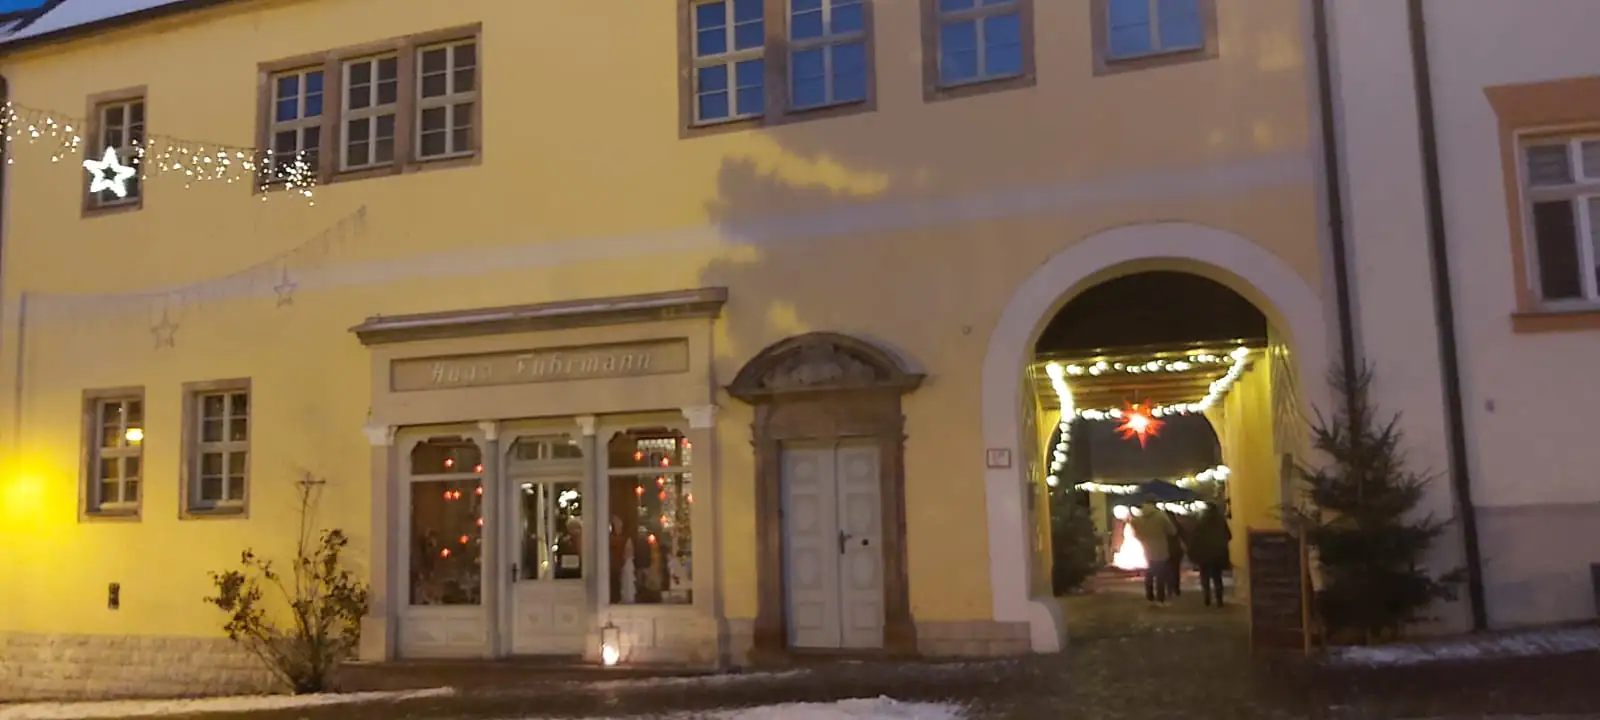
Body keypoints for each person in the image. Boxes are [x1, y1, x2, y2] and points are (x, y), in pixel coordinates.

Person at [1129, 501, 1177, 605]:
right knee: (1160, 574)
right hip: (1160, 547)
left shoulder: (1139, 517)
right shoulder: (1161, 516)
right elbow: (1172, 531)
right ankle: (1160, 598)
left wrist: (1143, 538)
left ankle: (1149, 595)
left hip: (1146, 548)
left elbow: (1135, 531)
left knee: (1149, 573)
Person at [1188, 501, 1234, 607]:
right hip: (1217, 554)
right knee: (1217, 577)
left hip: (1204, 553)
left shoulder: (1201, 521)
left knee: (1205, 576)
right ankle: (1219, 599)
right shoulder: (1220, 521)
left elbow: (1195, 538)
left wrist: (1194, 552)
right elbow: (1229, 536)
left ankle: (1207, 597)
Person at [1165, 507, 1187, 598]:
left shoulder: (1164, 525)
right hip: (1176, 550)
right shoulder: (1177, 524)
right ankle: (1176, 588)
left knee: (1167, 570)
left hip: (1166, 550)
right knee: (1175, 570)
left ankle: (1169, 588)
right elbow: (1184, 535)